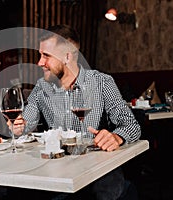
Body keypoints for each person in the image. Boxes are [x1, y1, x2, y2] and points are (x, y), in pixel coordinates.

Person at [11, 24, 141, 200]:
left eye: (46, 56)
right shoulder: (42, 88)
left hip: (98, 173)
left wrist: (116, 137)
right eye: (40, 55)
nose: (39, 62)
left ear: (67, 56)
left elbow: (131, 125)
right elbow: (27, 119)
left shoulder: (102, 82)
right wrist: (19, 126)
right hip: (59, 172)